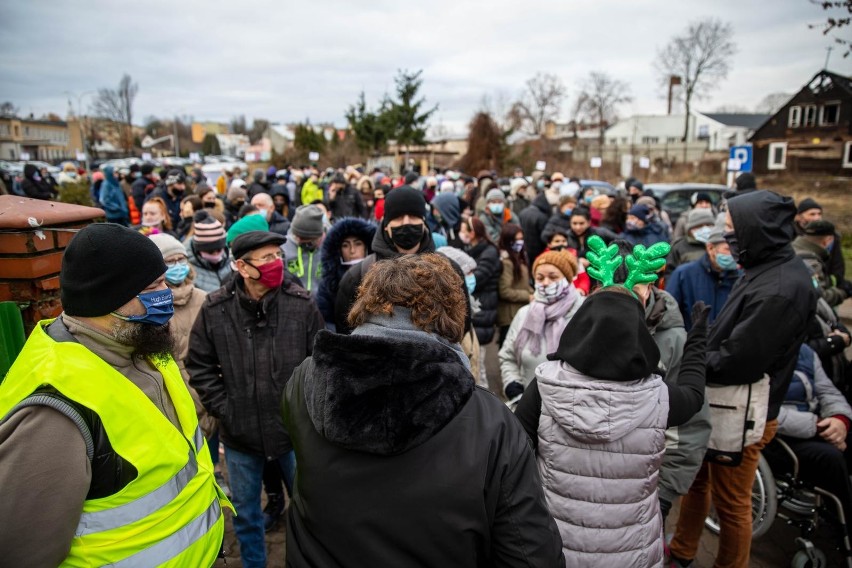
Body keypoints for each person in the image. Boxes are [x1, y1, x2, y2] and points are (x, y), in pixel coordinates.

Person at [282, 253, 564, 568]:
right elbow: (531, 554)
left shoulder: (304, 382)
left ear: (364, 304)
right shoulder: (490, 421)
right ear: (454, 314)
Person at [0, 224, 229, 566]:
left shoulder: (140, 341)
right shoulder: (54, 409)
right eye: (154, 287)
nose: (167, 293)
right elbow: (23, 552)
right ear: (106, 297)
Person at [669, 190, 818, 568]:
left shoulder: (780, 288)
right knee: (698, 482)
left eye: (733, 228)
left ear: (757, 229)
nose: (726, 236)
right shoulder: (765, 266)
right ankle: (683, 550)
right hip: (720, 402)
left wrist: (693, 361)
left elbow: (741, 360)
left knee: (733, 502)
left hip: (742, 410)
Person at [513, 283, 708, 565]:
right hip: (632, 550)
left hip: (555, 542)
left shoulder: (546, 384)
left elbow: (517, 453)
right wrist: (698, 339)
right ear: (638, 331)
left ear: (582, 324)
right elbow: (693, 395)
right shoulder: (658, 395)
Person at [188, 230, 323, 568]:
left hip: (293, 433)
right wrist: (225, 408)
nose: (276, 263)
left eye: (277, 256)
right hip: (241, 435)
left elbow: (322, 362)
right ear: (241, 267)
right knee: (246, 515)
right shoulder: (216, 309)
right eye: (266, 258)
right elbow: (199, 363)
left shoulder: (300, 303)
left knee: (311, 510)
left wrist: (305, 411)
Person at [766, 343, 852, 543]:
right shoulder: (757, 348)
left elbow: (828, 392)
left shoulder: (805, 352)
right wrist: (819, 428)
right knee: (830, 458)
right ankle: (845, 530)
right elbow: (760, 408)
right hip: (776, 435)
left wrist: (840, 420)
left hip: (814, 424)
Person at [335, 186, 437, 334]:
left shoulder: (446, 272)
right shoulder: (357, 276)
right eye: (398, 217)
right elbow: (345, 330)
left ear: (423, 222)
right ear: (386, 225)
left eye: (413, 216)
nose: (406, 223)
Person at [499, 249, 584, 401]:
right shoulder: (524, 314)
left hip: (572, 409)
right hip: (528, 406)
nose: (545, 283)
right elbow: (508, 356)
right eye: (540, 278)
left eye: (553, 277)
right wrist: (513, 386)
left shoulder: (584, 313)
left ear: (568, 279)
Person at [666, 226, 740, 331]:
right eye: (727, 249)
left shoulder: (740, 277)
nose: (732, 254)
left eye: (735, 249)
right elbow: (669, 315)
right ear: (710, 248)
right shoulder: (684, 275)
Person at [460, 216, 501, 387]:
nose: (461, 234)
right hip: (479, 306)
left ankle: (486, 399)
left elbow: (478, 278)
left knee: (479, 361)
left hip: (483, 307)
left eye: (464, 230)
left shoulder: (488, 252)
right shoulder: (474, 249)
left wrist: (464, 278)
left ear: (473, 232)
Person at [316, 217, 376, 331]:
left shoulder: (380, 277)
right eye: (345, 245)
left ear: (367, 247)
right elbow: (326, 320)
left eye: (358, 244)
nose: (352, 250)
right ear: (338, 250)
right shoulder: (329, 283)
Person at [793, 220, 852, 307]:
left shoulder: (791, 250)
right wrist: (843, 292)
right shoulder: (812, 264)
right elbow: (820, 299)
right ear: (828, 240)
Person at [794, 197, 846, 284]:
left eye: (819, 214)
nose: (817, 218)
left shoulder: (831, 237)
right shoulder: (789, 234)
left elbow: (837, 265)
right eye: (812, 214)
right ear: (800, 216)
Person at [497, 223, 533, 347]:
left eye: (521, 239)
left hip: (519, 311)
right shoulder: (506, 262)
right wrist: (528, 296)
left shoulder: (519, 257)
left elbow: (523, 282)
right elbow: (505, 291)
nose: (520, 242)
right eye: (516, 239)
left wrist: (533, 292)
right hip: (510, 315)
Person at [185, 211, 233, 292]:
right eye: (210, 251)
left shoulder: (230, 261)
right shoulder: (187, 269)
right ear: (198, 250)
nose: (215, 254)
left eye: (219, 250)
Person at [283, 204, 326, 293]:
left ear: (318, 237)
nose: (299, 241)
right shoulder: (283, 248)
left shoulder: (328, 248)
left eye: (307, 240)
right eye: (298, 237)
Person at [665, 208, 717, 278]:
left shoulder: (719, 244)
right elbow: (670, 273)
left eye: (708, 225)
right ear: (690, 229)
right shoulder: (679, 247)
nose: (705, 229)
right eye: (700, 226)